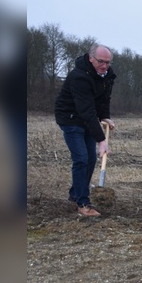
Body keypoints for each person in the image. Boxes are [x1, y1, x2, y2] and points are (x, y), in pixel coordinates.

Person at [54, 43, 116, 217]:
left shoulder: (107, 75)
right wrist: (101, 140)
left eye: (108, 62)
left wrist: (105, 116)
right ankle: (83, 204)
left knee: (90, 159)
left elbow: (104, 100)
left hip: (87, 118)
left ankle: (76, 193)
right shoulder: (79, 76)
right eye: (101, 61)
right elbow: (86, 110)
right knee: (81, 158)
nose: (104, 66)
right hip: (71, 118)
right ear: (91, 58)